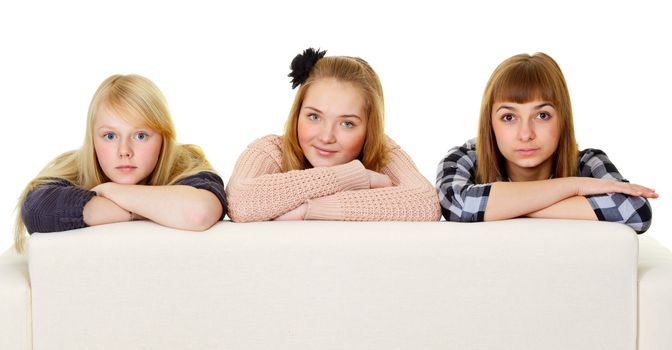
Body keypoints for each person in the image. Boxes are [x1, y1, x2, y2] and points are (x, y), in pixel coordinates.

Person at [436, 52, 656, 233]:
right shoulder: (465, 157)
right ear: (490, 123)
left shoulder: (588, 161)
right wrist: (574, 186)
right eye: (509, 117)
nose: (526, 134)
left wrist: (506, 206)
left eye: (542, 115)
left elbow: (635, 212)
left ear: (562, 119)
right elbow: (456, 203)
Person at [14, 74, 226, 252]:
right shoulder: (72, 167)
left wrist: (109, 191)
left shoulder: (186, 163)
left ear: (163, 137)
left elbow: (199, 212)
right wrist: (149, 210)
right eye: (110, 136)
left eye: (141, 136)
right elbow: (37, 211)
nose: (124, 151)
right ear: (92, 139)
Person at [227, 48, 440, 222]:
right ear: (298, 113)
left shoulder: (382, 151)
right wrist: (355, 176)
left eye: (347, 123)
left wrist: (308, 211)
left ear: (369, 128)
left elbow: (425, 203)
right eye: (314, 117)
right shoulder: (271, 150)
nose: (326, 137)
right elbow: (240, 202)